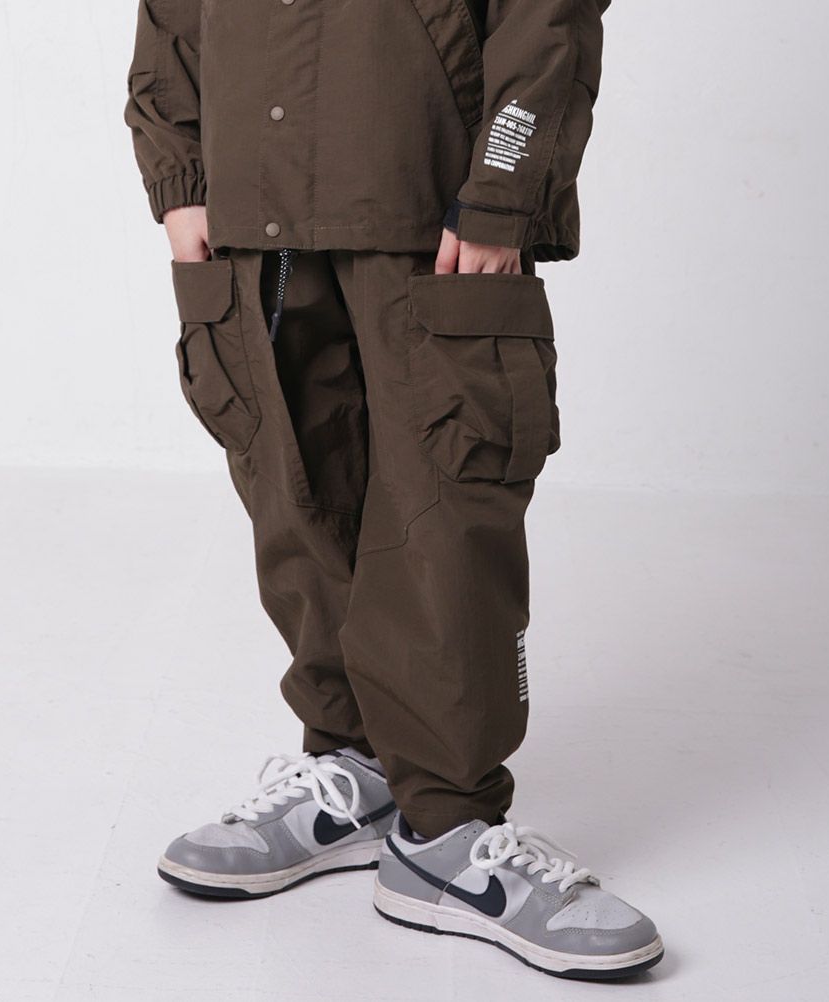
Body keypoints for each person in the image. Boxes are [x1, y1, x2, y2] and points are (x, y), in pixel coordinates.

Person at [125, 0, 663, 980]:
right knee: (293, 497)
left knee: (446, 513)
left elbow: (547, 15)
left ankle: (448, 828)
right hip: (254, 207)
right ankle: (355, 770)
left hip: (429, 200)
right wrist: (181, 180)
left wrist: (504, 188)